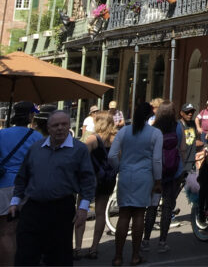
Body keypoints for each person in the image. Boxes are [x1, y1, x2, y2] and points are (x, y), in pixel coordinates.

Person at [11, 109, 95, 266]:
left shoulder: (79, 149)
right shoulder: (36, 148)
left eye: (64, 124)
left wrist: (83, 208)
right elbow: (23, 176)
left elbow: (88, 180)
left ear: (69, 126)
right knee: (25, 254)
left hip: (61, 208)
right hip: (33, 207)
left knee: (58, 256)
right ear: (48, 128)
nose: (60, 128)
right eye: (56, 125)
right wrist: (15, 201)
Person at [108, 101, 162, 266]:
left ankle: (118, 256)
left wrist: (120, 167)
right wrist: (158, 180)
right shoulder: (155, 133)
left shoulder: (124, 131)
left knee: (124, 214)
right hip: (144, 175)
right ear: (149, 115)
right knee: (139, 214)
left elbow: (111, 155)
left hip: (126, 174)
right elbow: (157, 159)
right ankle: (135, 255)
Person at [0, 101, 44, 264]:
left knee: (4, 231)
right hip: (24, 187)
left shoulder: (2, 134)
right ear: (30, 116)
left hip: (2, 185)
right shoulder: (36, 137)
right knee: (15, 231)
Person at [143, 101, 186, 253]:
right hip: (173, 171)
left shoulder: (153, 128)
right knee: (168, 206)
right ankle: (162, 241)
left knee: (152, 206)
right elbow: (182, 148)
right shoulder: (177, 126)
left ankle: (146, 240)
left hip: (156, 173)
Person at [74, 110, 117, 260]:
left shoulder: (93, 138)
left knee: (82, 210)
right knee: (100, 213)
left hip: (90, 179)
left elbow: (81, 156)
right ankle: (94, 248)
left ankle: (78, 248)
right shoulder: (115, 139)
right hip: (107, 180)